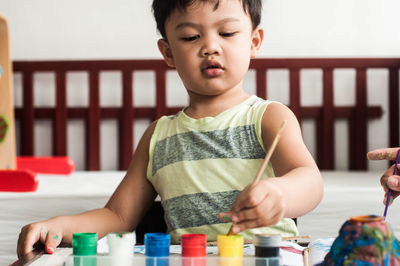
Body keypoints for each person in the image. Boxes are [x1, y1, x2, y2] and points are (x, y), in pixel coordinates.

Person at [17, 0, 323, 259]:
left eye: (227, 33)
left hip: (266, 257)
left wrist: (280, 193)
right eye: (191, 37)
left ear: (254, 42)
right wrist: (57, 226)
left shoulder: (268, 117)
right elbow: (119, 217)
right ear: (168, 53)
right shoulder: (158, 137)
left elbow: (310, 181)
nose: (210, 47)